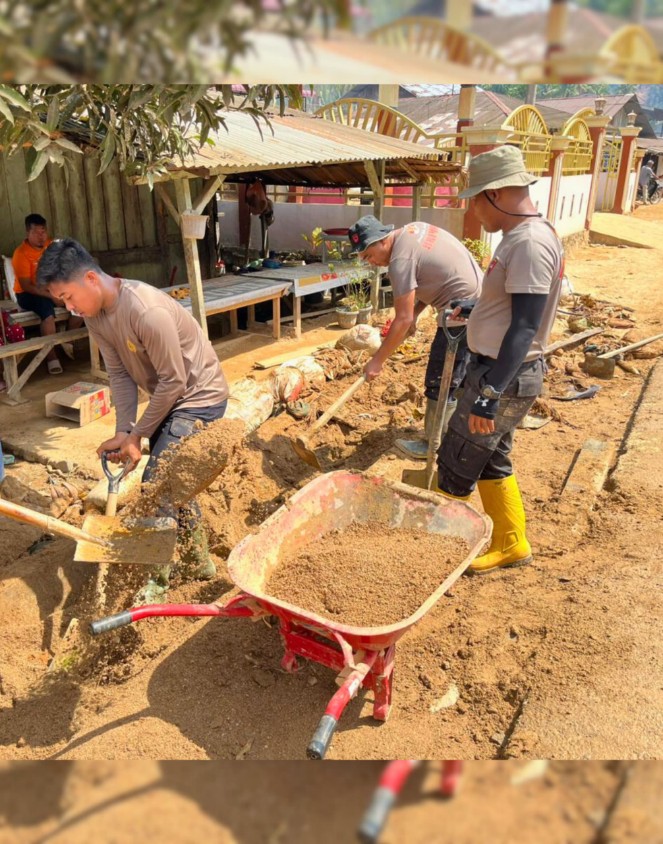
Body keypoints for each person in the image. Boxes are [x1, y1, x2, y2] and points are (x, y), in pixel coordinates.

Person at [36, 238, 230, 600]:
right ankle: (200, 560)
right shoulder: (95, 317)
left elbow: (175, 381)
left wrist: (138, 434)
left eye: (68, 296)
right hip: (169, 399)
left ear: (91, 278)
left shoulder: (145, 310)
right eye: (62, 301)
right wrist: (124, 431)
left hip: (199, 398)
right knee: (174, 483)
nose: (69, 307)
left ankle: (156, 582)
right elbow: (120, 376)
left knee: (161, 482)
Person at [437, 145, 564, 575]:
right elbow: (515, 307)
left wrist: (489, 393)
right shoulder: (520, 239)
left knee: (456, 462)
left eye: (475, 198)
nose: (474, 210)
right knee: (491, 457)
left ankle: (429, 556)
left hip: (502, 375)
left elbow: (526, 327)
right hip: (500, 369)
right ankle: (512, 542)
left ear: (497, 193)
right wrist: (475, 310)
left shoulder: (528, 243)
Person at [347, 215, 483, 459]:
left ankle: (433, 444)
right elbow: (429, 279)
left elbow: (402, 319)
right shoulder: (412, 230)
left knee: (440, 378)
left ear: (381, 240)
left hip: (461, 310)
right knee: (462, 375)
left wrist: (377, 361)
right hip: (478, 301)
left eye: (368, 255)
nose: (371, 263)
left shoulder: (399, 260)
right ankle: (458, 432)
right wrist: (416, 313)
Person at [11, 214, 83, 375]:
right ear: (27, 233)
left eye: (43, 232)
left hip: (52, 289)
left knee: (81, 303)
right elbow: (26, 286)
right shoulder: (20, 254)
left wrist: (61, 291)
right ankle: (51, 357)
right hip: (28, 294)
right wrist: (51, 296)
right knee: (47, 314)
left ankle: (67, 340)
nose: (41, 236)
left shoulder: (52, 246)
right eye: (36, 233)